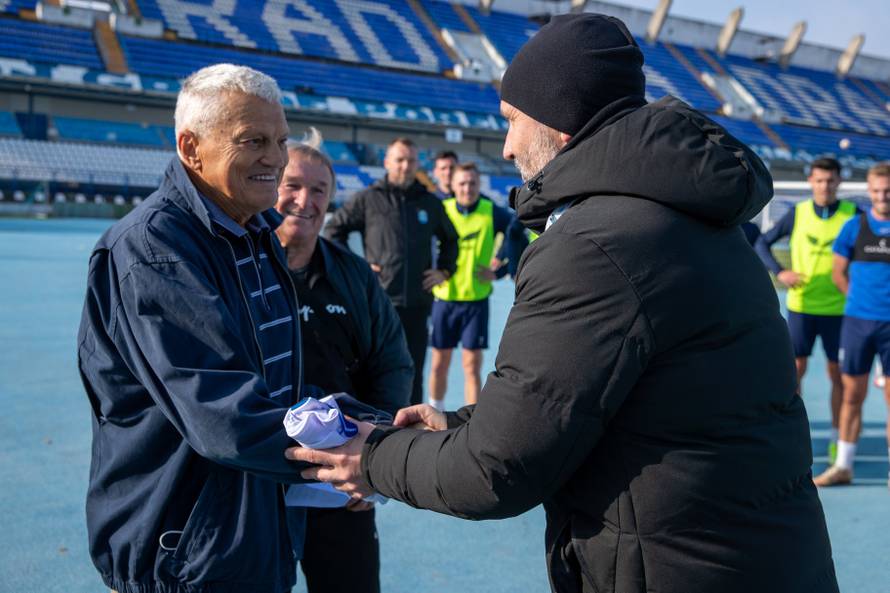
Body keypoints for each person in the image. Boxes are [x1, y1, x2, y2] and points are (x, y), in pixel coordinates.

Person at [288, 14, 838, 593]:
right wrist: (458, 423)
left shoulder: (593, 244)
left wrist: (373, 459)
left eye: (512, 122)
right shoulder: (689, 215)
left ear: (560, 119)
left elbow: (494, 471)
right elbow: (604, 397)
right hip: (752, 554)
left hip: (678, 567)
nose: (506, 146)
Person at [77, 64, 312, 593]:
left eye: (281, 140)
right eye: (253, 140)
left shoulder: (254, 235)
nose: (275, 158)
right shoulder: (152, 251)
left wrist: (373, 422)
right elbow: (225, 414)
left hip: (249, 535)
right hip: (185, 553)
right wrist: (362, 455)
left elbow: (279, 390)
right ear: (191, 148)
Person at [275, 129, 413, 592]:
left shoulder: (353, 274)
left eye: (319, 190)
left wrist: (376, 461)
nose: (304, 200)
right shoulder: (239, 269)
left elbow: (392, 365)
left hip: (341, 483)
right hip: (258, 486)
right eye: (291, 185)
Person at [325, 137, 459, 405]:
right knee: (371, 369)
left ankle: (414, 432)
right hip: (378, 303)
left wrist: (444, 271)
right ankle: (373, 428)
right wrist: (357, 266)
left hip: (417, 305)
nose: (405, 165)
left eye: (410, 160)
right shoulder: (369, 198)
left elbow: (452, 240)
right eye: (399, 160)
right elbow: (332, 231)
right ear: (387, 162)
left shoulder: (430, 203)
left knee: (413, 370)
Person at [755, 157, 857, 461]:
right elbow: (762, 243)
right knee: (794, 371)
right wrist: (779, 272)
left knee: (838, 375)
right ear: (811, 181)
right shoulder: (796, 214)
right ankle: (793, 433)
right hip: (802, 307)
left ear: (839, 182)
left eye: (830, 180)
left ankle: (837, 438)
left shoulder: (854, 216)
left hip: (840, 310)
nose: (825, 186)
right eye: (819, 180)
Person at [814, 162, 890, 487]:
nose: (882, 196)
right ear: (868, 191)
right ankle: (843, 465)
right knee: (851, 396)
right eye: (876, 190)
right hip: (858, 323)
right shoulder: (854, 227)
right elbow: (838, 274)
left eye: (887, 191)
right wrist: (859, 301)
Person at [429, 162, 526, 408]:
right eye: (462, 183)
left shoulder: (490, 211)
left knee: (471, 366)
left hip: (476, 301)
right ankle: (434, 412)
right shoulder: (441, 209)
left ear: (479, 185)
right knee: (439, 363)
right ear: (452, 185)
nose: (467, 188)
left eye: (472, 183)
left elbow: (516, 232)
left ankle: (468, 421)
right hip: (445, 299)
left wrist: (501, 270)